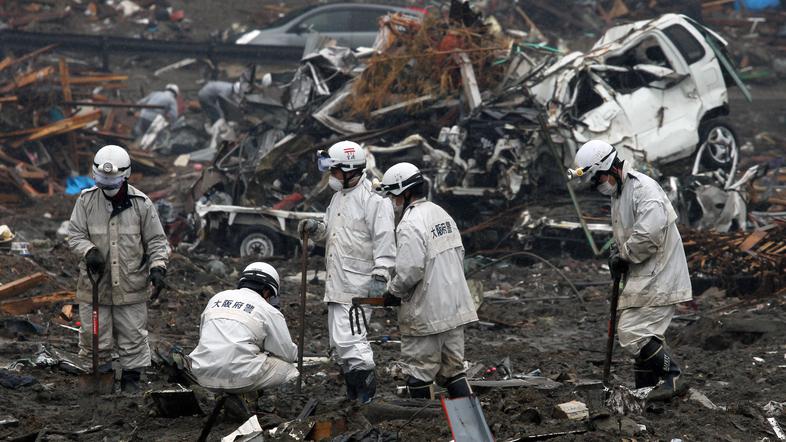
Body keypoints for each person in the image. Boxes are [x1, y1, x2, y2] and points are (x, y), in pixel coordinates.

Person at [572, 139, 692, 401]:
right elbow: (627, 233)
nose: (597, 185)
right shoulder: (620, 194)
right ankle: (646, 392)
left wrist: (624, 256)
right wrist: (617, 254)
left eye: (598, 179)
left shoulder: (643, 190)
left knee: (632, 333)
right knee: (643, 333)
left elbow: (649, 235)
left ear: (611, 168)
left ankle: (672, 376)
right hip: (643, 273)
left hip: (659, 273)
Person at [298, 141, 396, 403]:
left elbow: (385, 240)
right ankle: (353, 395)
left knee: (352, 342)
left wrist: (381, 275)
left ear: (350, 169)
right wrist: (316, 230)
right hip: (337, 282)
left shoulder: (374, 200)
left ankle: (365, 396)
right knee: (339, 345)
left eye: (335, 170)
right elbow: (332, 233)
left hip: (358, 284)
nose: (331, 176)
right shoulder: (338, 197)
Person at [67, 144, 169, 393]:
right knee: (94, 337)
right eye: (103, 180)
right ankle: (101, 380)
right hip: (95, 284)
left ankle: (131, 382)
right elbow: (75, 235)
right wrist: (89, 251)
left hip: (131, 284)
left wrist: (158, 267)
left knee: (132, 336)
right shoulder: (86, 201)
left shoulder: (142, 204)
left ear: (125, 175)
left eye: (112, 181)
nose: (108, 186)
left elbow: (156, 241)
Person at [378, 162, 478, 399]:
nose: (393, 201)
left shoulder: (410, 223)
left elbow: (410, 270)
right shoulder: (440, 213)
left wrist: (393, 292)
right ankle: (467, 421)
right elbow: (459, 253)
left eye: (393, 195)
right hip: (454, 306)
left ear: (405, 191)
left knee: (418, 371)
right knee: (454, 370)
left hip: (427, 311)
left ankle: (422, 426)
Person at [188, 262, 298, 416]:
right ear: (267, 291)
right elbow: (287, 353)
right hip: (241, 377)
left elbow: (205, 336)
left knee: (245, 355)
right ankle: (269, 407)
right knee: (291, 371)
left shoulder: (217, 298)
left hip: (203, 374)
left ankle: (230, 397)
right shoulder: (268, 310)